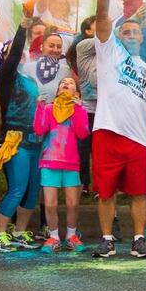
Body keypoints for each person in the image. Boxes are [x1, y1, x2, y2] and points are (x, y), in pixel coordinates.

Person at [88, 0, 146, 258]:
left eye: (136, 32)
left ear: (142, 39)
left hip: (137, 140)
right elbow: (101, 15)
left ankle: (137, 240)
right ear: (118, 37)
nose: (131, 34)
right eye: (126, 31)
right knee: (106, 192)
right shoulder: (109, 52)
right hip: (107, 132)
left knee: (139, 192)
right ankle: (107, 239)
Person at [0, 34, 44, 253]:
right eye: (13, 52)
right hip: (16, 141)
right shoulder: (6, 77)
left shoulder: (29, 80)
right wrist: (23, 30)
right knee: (18, 188)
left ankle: (19, 232)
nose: (19, 54)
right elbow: (13, 56)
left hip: (36, 141)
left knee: (33, 191)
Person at [35, 76, 90, 252]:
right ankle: (53, 237)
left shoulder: (78, 110)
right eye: (63, 83)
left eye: (71, 83)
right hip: (49, 162)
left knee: (72, 203)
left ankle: (71, 236)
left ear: (76, 92)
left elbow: (83, 133)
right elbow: (39, 129)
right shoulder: (49, 108)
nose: (66, 84)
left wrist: (80, 109)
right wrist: (39, 108)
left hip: (71, 162)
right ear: (58, 90)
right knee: (50, 204)